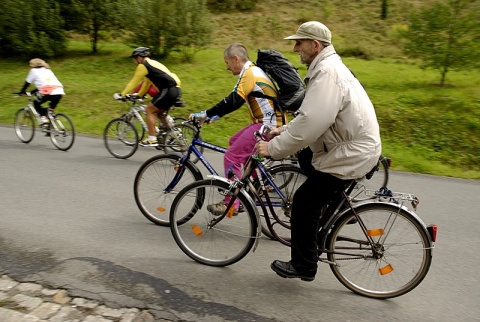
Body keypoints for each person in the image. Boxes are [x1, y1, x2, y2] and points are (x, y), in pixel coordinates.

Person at [255, 21, 382, 281]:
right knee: (305, 158)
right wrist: (284, 130)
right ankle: (327, 218)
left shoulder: (327, 73)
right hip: (350, 146)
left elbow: (313, 122)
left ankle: (304, 265)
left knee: (303, 201)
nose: (295, 48)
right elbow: (311, 116)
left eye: (299, 43)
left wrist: (273, 148)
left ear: (315, 45)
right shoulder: (327, 68)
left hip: (351, 152)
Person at [190, 43, 283, 215]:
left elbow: (233, 100)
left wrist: (205, 113)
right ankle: (259, 186)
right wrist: (212, 116)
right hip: (266, 123)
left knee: (232, 155)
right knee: (234, 142)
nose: (227, 67)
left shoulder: (249, 73)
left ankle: (231, 203)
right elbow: (232, 102)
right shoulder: (251, 71)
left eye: (227, 62)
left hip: (266, 125)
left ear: (236, 59)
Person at [115, 47, 182, 147]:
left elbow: (134, 82)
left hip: (168, 89)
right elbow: (146, 84)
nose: (134, 61)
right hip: (175, 90)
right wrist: (139, 95)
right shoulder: (151, 64)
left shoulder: (143, 66)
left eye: (134, 59)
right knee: (160, 113)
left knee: (149, 110)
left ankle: (152, 139)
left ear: (139, 57)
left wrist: (122, 94)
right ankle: (173, 133)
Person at [18, 58, 65, 124]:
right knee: (50, 111)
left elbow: (27, 83)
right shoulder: (47, 70)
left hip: (48, 92)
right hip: (59, 91)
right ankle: (50, 127)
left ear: (32, 65)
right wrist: (33, 92)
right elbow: (44, 84)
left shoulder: (33, 71)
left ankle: (43, 117)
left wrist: (22, 91)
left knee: (36, 103)